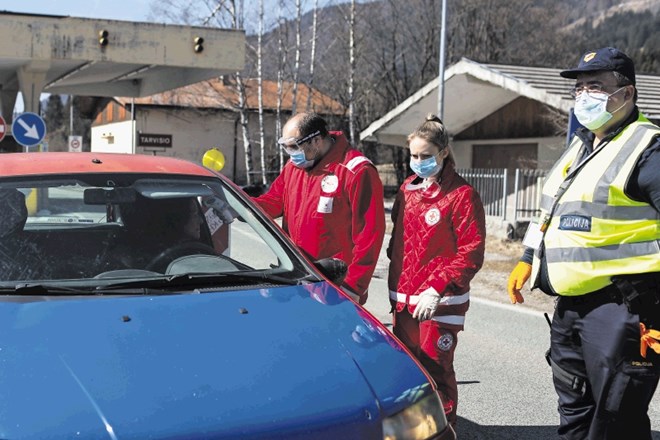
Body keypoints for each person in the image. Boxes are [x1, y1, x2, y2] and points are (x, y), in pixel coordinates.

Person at [506, 47, 660, 439]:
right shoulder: (582, 146)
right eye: (578, 89)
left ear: (626, 94)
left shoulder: (648, 149)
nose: (583, 96)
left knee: (616, 421)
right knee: (575, 414)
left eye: (595, 86)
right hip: (571, 309)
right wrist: (528, 257)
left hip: (622, 308)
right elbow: (551, 212)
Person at [387, 114, 486, 427]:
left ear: (443, 153)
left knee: (437, 371)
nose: (418, 162)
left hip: (440, 301)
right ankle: (415, 429)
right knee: (409, 370)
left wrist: (436, 286)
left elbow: (472, 251)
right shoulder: (407, 189)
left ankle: (444, 430)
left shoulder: (462, 195)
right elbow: (399, 239)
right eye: (414, 156)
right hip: (403, 298)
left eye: (426, 156)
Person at [254, 112, 385, 305]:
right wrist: (240, 205)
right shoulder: (293, 167)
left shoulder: (357, 171)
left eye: (294, 146)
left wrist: (353, 287)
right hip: (296, 280)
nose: (290, 154)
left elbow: (369, 235)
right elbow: (274, 201)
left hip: (334, 287)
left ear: (316, 141)